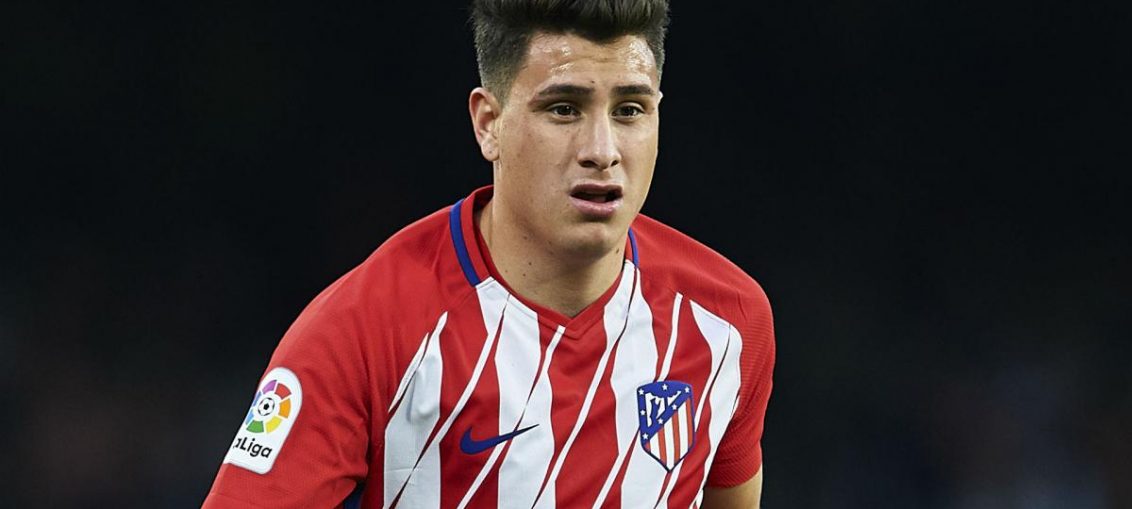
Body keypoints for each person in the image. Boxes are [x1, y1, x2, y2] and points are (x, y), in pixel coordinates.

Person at [203, 1, 775, 507]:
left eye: (629, 110)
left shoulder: (727, 321)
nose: (602, 151)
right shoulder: (365, 329)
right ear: (488, 124)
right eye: (564, 109)